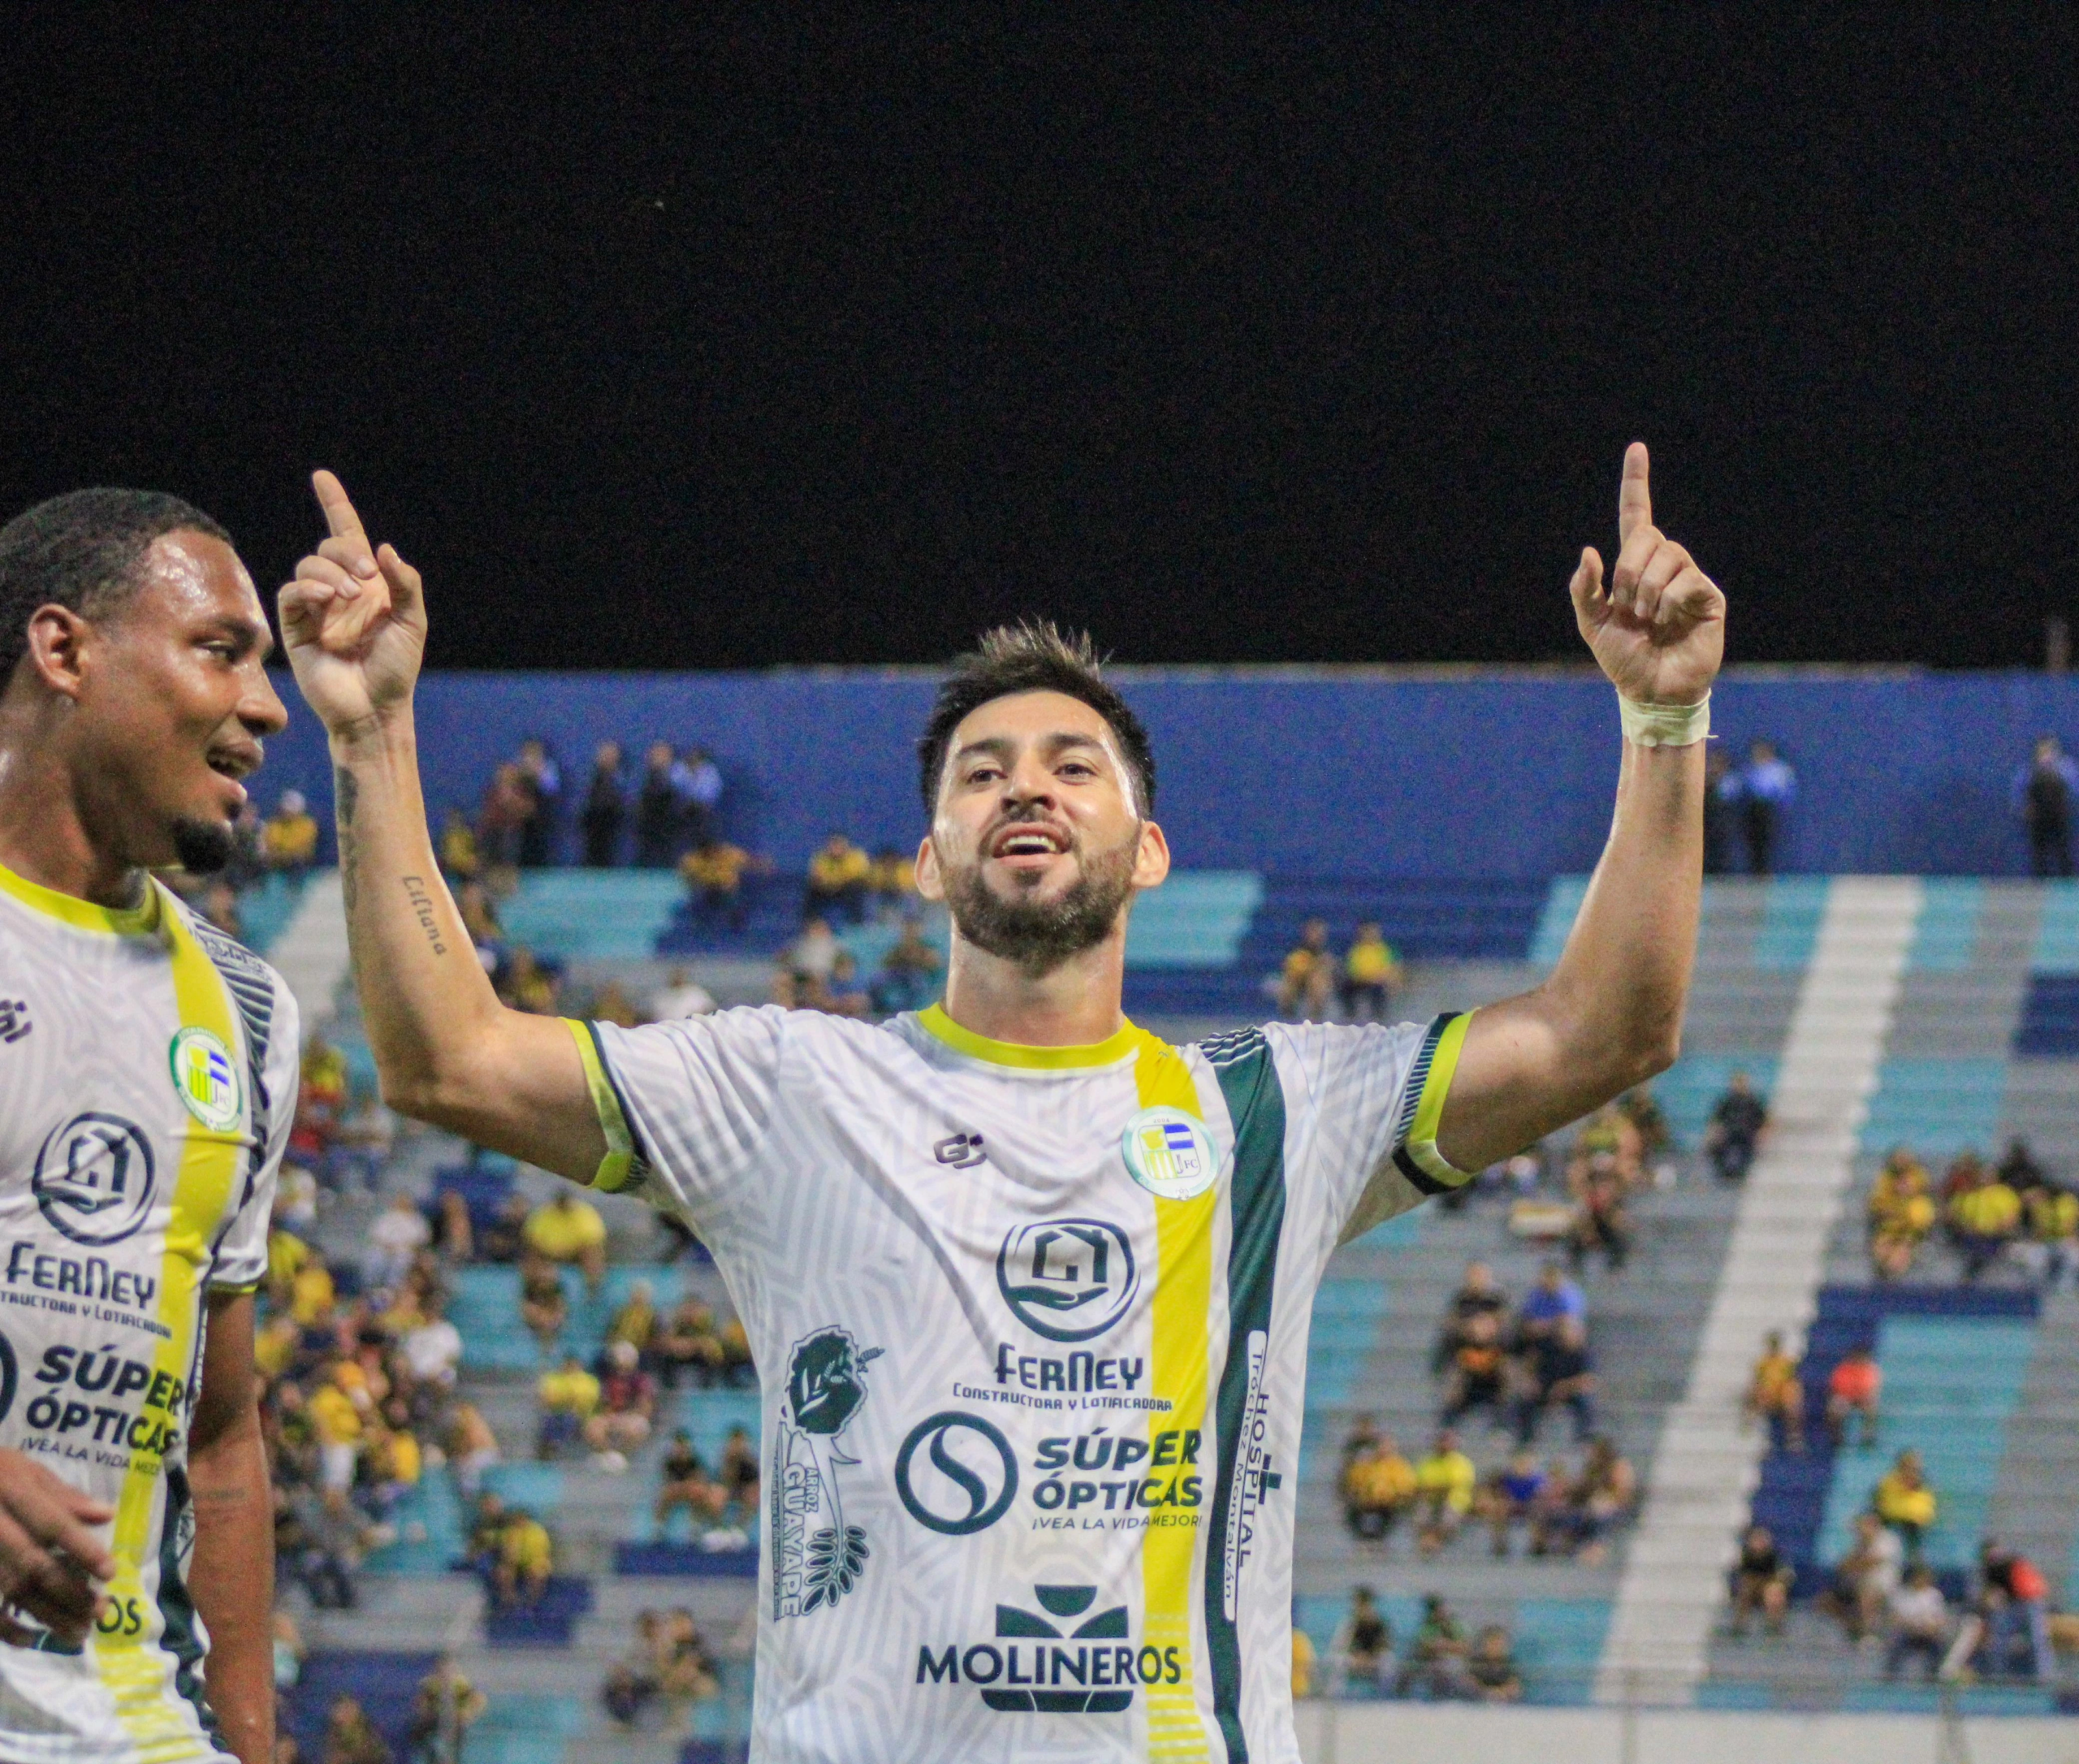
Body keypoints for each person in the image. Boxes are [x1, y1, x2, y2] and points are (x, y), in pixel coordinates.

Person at [280, 450, 1724, 1761]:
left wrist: (1666, 719)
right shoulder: (793, 1086)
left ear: (1148, 849)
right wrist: (372, 736)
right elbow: (450, 1060)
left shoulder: (1276, 1113)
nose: (1025, 788)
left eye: (1070, 765)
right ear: (926, 858)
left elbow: (1611, 1029)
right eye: (984, 772)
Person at [0, 489, 300, 1764]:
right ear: (64, 653)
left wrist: (248, 1741)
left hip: (125, 1723)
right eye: (221, 649)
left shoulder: (246, 1009)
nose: (269, 707)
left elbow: (222, 1437)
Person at [1821, 1511, 1904, 1644]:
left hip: (1884, 1584)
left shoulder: (1888, 1540)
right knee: (1826, 1602)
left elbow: (1870, 1563)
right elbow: (1841, 1567)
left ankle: (1869, 1632)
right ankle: (1855, 1627)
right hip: (1858, 1583)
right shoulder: (1860, 1543)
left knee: (1867, 1594)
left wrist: (1854, 1563)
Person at [1516, 1317, 1597, 1446]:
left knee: (1584, 1402)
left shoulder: (1582, 1353)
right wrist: (1531, 1382)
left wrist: (1564, 1388)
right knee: (1526, 1402)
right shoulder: (1547, 1348)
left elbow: (1587, 1379)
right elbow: (1531, 1363)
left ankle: (1584, 1437)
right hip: (1546, 1388)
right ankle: (1525, 1438)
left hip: (1569, 1391)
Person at [523, 1187, 609, 1295]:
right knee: (532, 1254)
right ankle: (530, 1288)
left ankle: (593, 1287)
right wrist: (552, 1249)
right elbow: (533, 1237)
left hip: (575, 1252)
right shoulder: (544, 1213)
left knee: (592, 1253)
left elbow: (592, 1239)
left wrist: (569, 1248)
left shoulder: (584, 1213)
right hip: (549, 1252)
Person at [2014, 735, 2078, 878]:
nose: (2046, 753)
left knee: (2063, 852)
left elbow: (2074, 789)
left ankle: (2069, 884)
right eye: (2043, 750)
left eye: (2049, 750)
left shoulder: (2065, 768)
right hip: (2038, 819)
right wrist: (2023, 808)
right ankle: (2040, 885)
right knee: (2039, 854)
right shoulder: (2029, 770)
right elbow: (2019, 791)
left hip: (2059, 818)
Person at [1869, 1148, 1938, 1279]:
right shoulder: (1885, 1184)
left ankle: (1895, 1269)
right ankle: (1887, 1270)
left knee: (1902, 1247)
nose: (1904, 1185)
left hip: (1911, 1234)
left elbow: (1922, 1224)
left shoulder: (1920, 1202)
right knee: (1883, 1244)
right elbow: (1877, 1208)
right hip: (1890, 1230)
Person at [403, 1657, 486, 1764]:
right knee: (416, 1734)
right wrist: (425, 1712)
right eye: (442, 1670)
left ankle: (454, 1760)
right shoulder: (431, 1684)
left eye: (449, 1671)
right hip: (436, 1716)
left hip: (457, 1719)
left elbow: (478, 1700)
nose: (445, 1674)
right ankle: (433, 1759)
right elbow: (420, 1701)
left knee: (457, 1738)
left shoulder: (461, 1685)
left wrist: (468, 1714)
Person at [1340, 1433, 1416, 1544]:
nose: (1383, 1449)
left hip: (1389, 1506)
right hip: (1366, 1504)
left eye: (1386, 1446)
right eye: (1380, 1446)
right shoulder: (1364, 1465)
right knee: (1352, 1512)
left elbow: (1406, 1489)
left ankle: (1379, 1541)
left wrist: (1388, 1496)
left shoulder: (1400, 1466)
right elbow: (1354, 1484)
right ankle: (1363, 1542)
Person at [1734, 737, 1796, 875]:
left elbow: (1787, 791)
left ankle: (1766, 872)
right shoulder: (1749, 769)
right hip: (1753, 810)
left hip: (1769, 810)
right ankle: (1755, 871)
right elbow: (1743, 788)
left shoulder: (1779, 769)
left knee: (1767, 841)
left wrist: (1782, 807)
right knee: (1753, 841)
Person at [1412, 1429, 1478, 1554]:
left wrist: (1434, 1488)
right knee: (1420, 1515)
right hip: (1430, 1500)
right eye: (1441, 1442)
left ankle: (1431, 1543)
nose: (1444, 1445)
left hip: (1455, 1501)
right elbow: (1419, 1485)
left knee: (1447, 1517)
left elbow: (1452, 1486)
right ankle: (1431, 1543)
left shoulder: (1462, 1463)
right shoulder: (1426, 1463)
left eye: (1448, 1442)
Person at [681, 838, 759, 935]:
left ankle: (737, 928)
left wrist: (763, 865)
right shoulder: (692, 860)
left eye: (712, 850)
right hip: (706, 890)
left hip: (726, 889)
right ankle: (702, 928)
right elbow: (688, 878)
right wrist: (699, 886)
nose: (710, 853)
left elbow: (749, 862)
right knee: (696, 900)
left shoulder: (729, 854)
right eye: (706, 852)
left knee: (735, 901)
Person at [1885, 1565, 1950, 1680]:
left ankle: (1934, 1678)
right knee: (1897, 1644)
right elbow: (1896, 1618)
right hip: (1908, 1633)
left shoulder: (1934, 1595)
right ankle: (1890, 1677)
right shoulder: (1901, 1595)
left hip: (1928, 1634)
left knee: (1940, 1647)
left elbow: (1940, 1620)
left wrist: (1929, 1628)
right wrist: (1913, 1627)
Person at [1745, 1330, 1806, 1452]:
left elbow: (1793, 1380)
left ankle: (1794, 1437)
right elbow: (1757, 1381)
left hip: (1783, 1393)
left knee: (1792, 1403)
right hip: (1768, 1394)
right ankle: (1761, 1437)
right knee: (1761, 1396)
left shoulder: (1787, 1361)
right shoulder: (1762, 1363)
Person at [1727, 1524, 1792, 1638]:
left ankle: (1774, 1624)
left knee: (1774, 1592)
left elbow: (1786, 1575)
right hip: (1751, 1589)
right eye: (1756, 1540)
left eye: (1762, 1540)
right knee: (1746, 1591)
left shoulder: (1774, 1556)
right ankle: (1739, 1625)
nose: (1759, 1544)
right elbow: (1741, 1575)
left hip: (1768, 1587)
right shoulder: (1745, 1557)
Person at [1874, 1449, 1938, 1559]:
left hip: (1913, 1528)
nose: (1910, 1471)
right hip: (1889, 1522)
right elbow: (1883, 1505)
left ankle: (1914, 1562)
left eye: (1914, 1468)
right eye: (1907, 1466)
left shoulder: (1925, 1488)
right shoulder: (1887, 1483)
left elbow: (1925, 1513)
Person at [1705, 1070, 1767, 1182]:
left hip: (1747, 1133)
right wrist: (1714, 1134)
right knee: (1715, 1147)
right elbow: (1716, 1120)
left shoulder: (1753, 1101)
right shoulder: (1727, 1101)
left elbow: (1764, 1121)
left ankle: (1742, 1172)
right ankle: (1723, 1172)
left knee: (1748, 1148)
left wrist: (1761, 1134)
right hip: (1730, 1133)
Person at [1329, 1587, 1390, 1697]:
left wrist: (1370, 1658)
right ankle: (1335, 1696)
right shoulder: (1350, 1623)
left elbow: (1384, 1646)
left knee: (1387, 1660)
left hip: (1373, 1660)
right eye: (1358, 1604)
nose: (1360, 1608)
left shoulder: (1379, 1623)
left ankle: (1385, 1697)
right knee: (1338, 1660)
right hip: (1355, 1659)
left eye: (1363, 1604)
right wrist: (1356, 1655)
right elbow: (1340, 1646)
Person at [1339, 922, 1402, 1023]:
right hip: (1360, 981)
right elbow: (1352, 970)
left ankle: (1379, 1019)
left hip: (1377, 982)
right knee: (1346, 987)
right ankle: (1350, 1016)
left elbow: (1391, 968)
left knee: (1379, 990)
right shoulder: (1356, 949)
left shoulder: (1384, 950)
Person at [1276, 917, 1335, 1020]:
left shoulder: (1326, 954)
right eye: (1312, 932)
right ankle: (1288, 1017)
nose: (1315, 936)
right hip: (1299, 982)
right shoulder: (1297, 952)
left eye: (1318, 932)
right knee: (1287, 985)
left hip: (1319, 984)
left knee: (1317, 982)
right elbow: (1291, 969)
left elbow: (1331, 970)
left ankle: (1316, 1018)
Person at [633, 741, 683, 866]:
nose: (658, 759)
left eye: (662, 756)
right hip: (648, 823)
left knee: (666, 855)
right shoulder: (646, 777)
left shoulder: (678, 776)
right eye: (655, 756)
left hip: (668, 823)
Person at [580, 740, 627, 867]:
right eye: (604, 755)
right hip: (592, 827)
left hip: (612, 826)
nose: (607, 759)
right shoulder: (592, 779)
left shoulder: (620, 780)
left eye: (611, 755)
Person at [1825, 1343, 1882, 1450]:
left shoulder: (1871, 1369)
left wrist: (1858, 1392)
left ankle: (1868, 1435)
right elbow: (1839, 1387)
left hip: (1863, 1398)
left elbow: (1870, 1388)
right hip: (1846, 1398)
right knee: (1835, 1406)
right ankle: (1837, 1436)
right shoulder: (1843, 1368)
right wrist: (1853, 1391)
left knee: (1872, 1404)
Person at [264, 788, 321, 876]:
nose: (288, 812)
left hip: (300, 862)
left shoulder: (308, 824)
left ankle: (298, 888)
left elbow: (304, 846)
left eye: (291, 809)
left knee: (298, 863)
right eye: (286, 808)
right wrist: (282, 854)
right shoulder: (274, 824)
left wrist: (288, 852)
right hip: (278, 863)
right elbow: (272, 845)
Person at [1465, 1625, 1523, 1702]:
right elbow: (1469, 1683)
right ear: (1484, 1644)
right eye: (1492, 1642)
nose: (1496, 1646)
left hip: (1506, 1704)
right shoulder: (1476, 1662)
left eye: (1499, 1643)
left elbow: (1515, 1685)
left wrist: (1501, 1692)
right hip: (1477, 1704)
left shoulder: (1510, 1662)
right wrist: (1488, 1692)